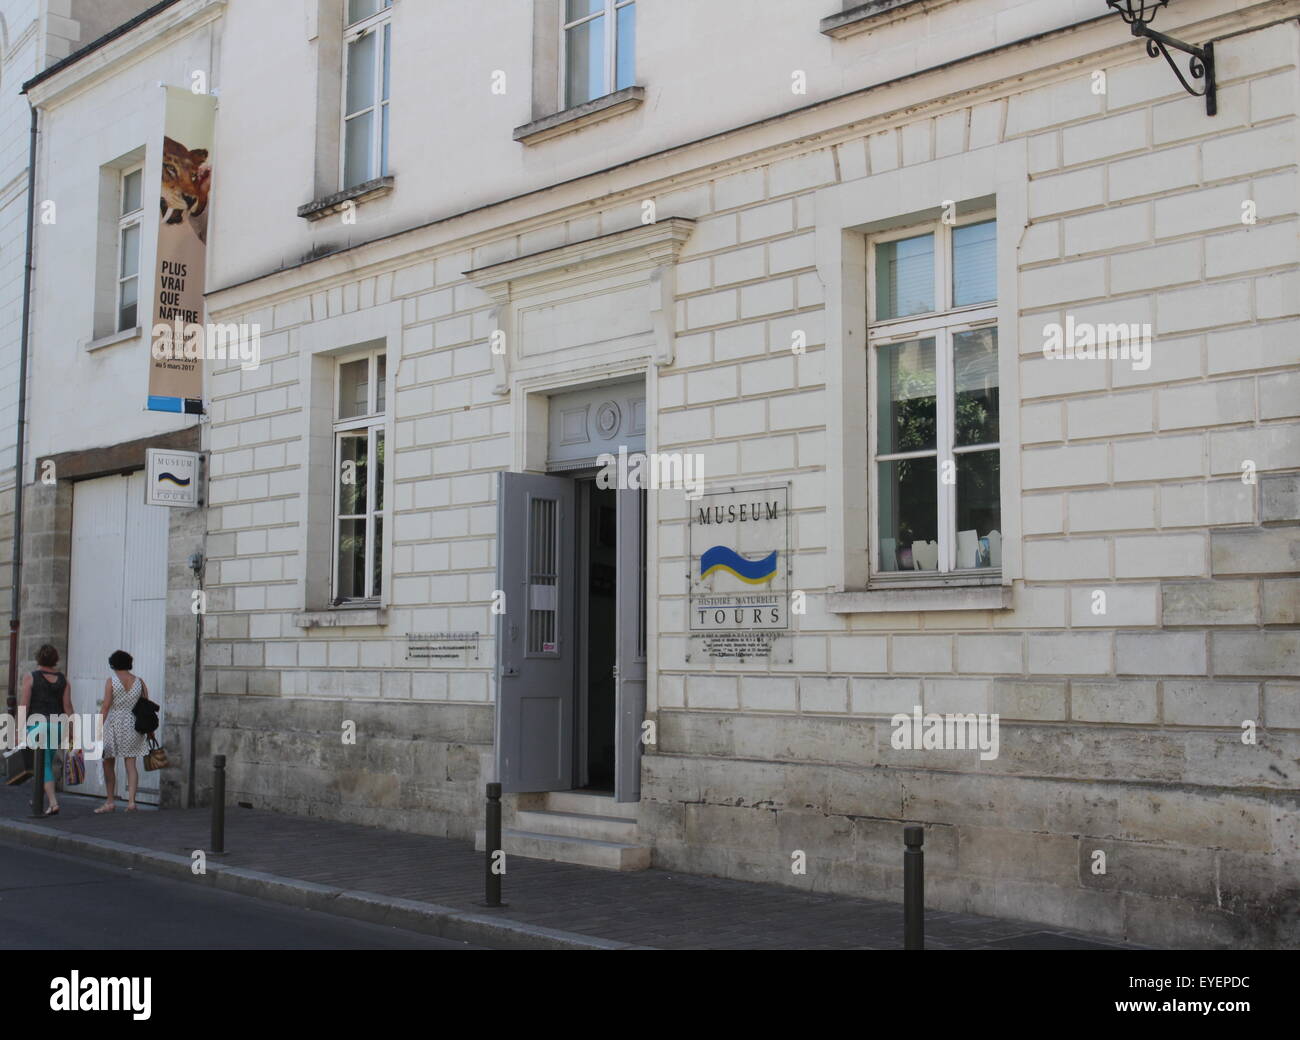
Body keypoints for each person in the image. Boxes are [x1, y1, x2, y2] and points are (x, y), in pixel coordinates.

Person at [19, 644, 73, 816]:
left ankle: (53, 802)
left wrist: (19, 729)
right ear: (55, 659)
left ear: (38, 658)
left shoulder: (31, 677)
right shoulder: (63, 680)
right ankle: (37, 799)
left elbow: (24, 705)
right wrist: (72, 729)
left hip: (37, 724)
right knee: (45, 762)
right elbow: (68, 707)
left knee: (43, 764)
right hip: (58, 724)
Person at [97, 650, 151, 813]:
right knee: (131, 764)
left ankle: (110, 801)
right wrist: (150, 730)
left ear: (113, 664)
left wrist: (97, 726)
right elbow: (146, 706)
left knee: (108, 761)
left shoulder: (111, 681)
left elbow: (106, 706)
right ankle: (132, 802)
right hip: (133, 724)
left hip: (114, 723)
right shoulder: (140, 682)